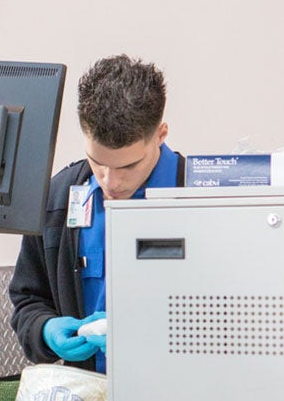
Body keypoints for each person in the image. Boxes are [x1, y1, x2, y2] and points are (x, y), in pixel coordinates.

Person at [9, 54, 184, 373]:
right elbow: (28, 301)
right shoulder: (57, 200)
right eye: (97, 161)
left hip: (180, 396)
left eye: (129, 165)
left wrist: (147, 333)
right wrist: (45, 331)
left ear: (160, 134)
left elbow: (237, 317)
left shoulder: (202, 199)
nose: (110, 182)